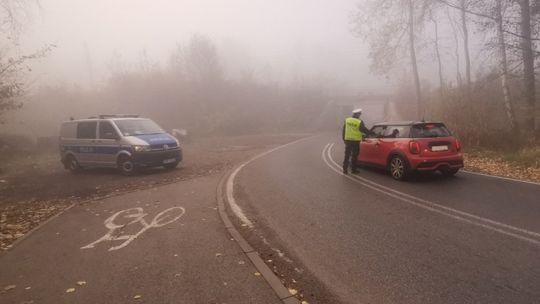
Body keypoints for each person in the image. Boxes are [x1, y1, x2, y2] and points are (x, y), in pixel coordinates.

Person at [342, 108, 371, 174]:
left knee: (347, 155)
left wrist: (344, 139)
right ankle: (353, 170)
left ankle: (345, 169)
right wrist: (371, 133)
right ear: (357, 114)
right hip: (355, 141)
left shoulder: (347, 120)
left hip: (348, 140)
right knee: (354, 156)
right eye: (360, 114)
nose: (360, 115)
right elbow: (364, 130)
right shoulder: (359, 121)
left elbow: (344, 130)